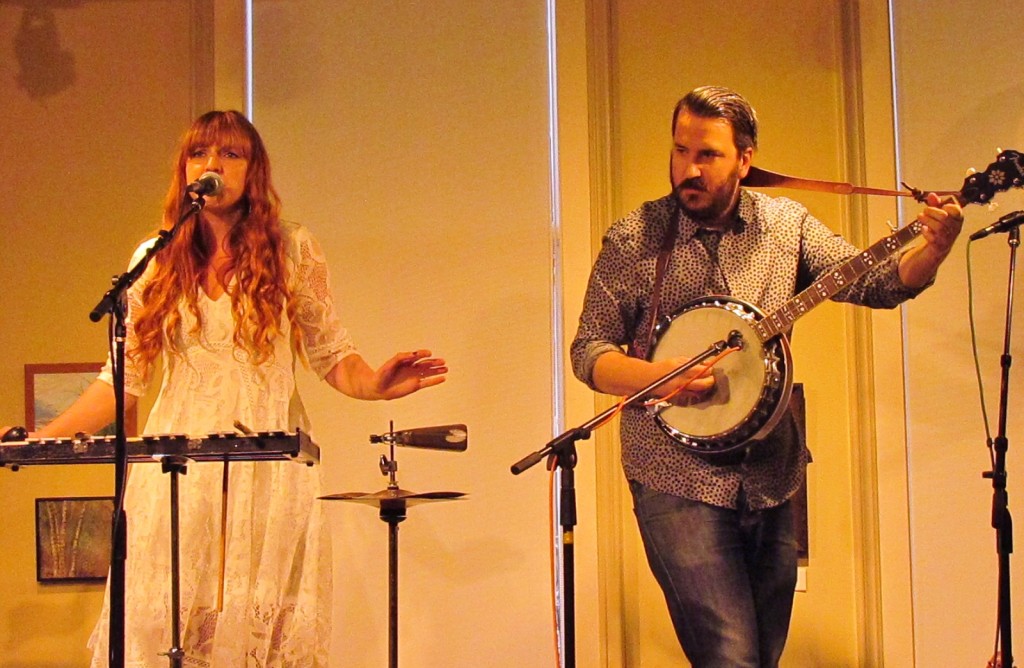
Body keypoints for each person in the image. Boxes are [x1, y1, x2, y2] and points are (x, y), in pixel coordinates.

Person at [14, 110, 447, 666]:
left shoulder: (292, 248)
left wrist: (376, 385)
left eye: (230, 154)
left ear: (253, 170)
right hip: (177, 469)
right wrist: (41, 439)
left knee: (254, 621)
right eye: (199, 154)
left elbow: (331, 354)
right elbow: (122, 381)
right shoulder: (155, 257)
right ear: (184, 169)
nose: (211, 164)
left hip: (265, 467)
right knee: (171, 620)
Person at [570, 86, 963, 667]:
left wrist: (934, 248)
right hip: (674, 475)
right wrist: (658, 376)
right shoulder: (636, 238)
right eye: (680, 151)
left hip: (772, 472)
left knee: (761, 657)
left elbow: (877, 283)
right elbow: (589, 350)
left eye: (708, 155)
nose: (689, 169)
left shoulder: (786, 226)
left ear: (745, 159)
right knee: (731, 658)